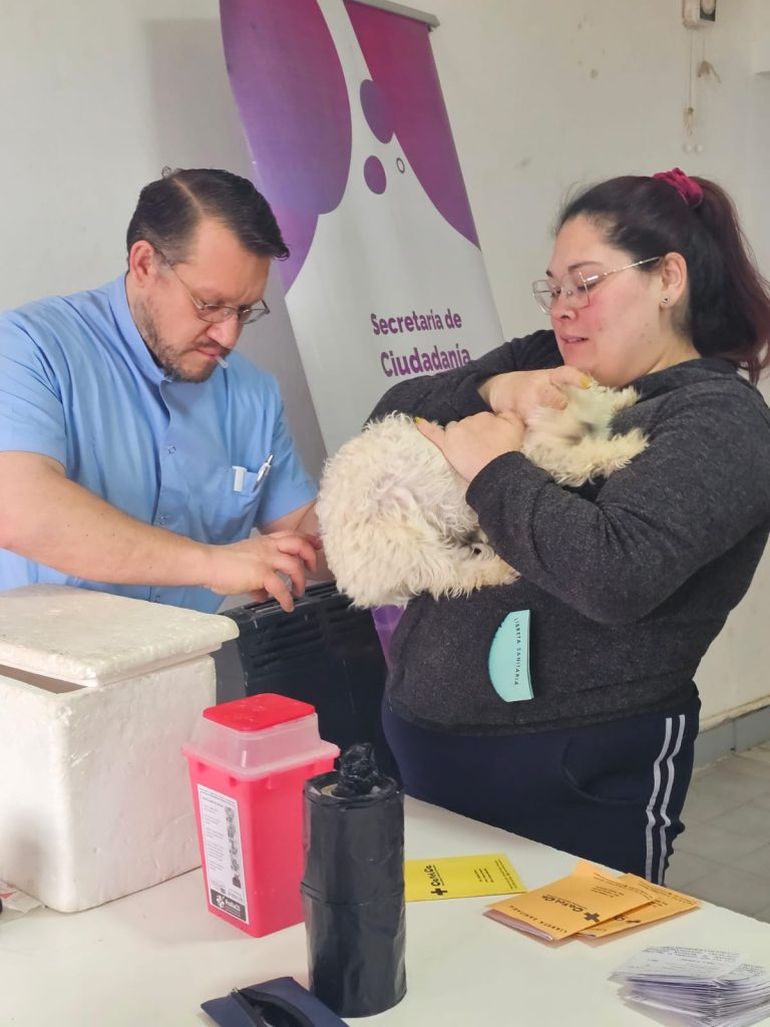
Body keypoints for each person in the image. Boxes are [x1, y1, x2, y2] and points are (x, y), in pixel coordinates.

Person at [369, 168, 770, 882]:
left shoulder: (718, 419)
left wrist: (493, 468)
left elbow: (614, 572)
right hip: (427, 750)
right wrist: (495, 386)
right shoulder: (546, 362)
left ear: (668, 279)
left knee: (572, 978)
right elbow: (389, 417)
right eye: (554, 287)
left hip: (575, 774)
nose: (564, 308)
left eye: (586, 282)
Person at [0, 167, 323, 614]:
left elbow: (305, 538)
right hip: (40, 675)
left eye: (245, 310)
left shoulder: (254, 395)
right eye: (209, 305)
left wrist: (400, 489)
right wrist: (209, 564)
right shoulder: (28, 347)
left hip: (188, 674)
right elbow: (18, 509)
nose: (228, 335)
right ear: (144, 264)